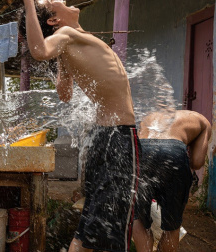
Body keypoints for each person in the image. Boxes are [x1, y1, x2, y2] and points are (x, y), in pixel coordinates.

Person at [20, 1, 140, 251]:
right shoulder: (66, 33)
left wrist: (65, 63)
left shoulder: (68, 42)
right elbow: (40, 50)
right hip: (118, 136)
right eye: (55, 3)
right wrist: (29, 3)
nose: (64, 1)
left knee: (91, 226)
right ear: (53, 21)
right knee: (115, 226)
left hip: (103, 137)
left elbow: (64, 92)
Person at [132, 110, 211, 252]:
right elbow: (197, 162)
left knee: (138, 219)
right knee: (172, 227)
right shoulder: (203, 121)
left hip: (143, 150)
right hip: (173, 153)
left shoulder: (151, 115)